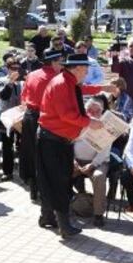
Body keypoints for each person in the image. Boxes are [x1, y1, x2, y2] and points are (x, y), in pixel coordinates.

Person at [36, 53, 103, 236]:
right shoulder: (61, 84)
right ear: (77, 69)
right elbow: (66, 115)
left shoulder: (69, 81)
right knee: (58, 182)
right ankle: (64, 226)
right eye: (86, 69)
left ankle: (47, 217)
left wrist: (104, 87)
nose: (87, 72)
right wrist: (90, 123)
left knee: (53, 181)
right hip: (52, 140)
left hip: (58, 140)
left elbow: (83, 90)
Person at [20, 48, 65, 200]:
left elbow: (24, 95)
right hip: (46, 119)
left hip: (29, 117)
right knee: (46, 156)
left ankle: (33, 189)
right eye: (60, 62)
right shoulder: (57, 78)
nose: (62, 65)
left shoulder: (32, 74)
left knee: (31, 153)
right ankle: (46, 190)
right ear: (52, 62)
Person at [73, 98, 111, 227]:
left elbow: (104, 152)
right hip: (76, 161)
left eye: (97, 111)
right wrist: (72, 161)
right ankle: (64, 207)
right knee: (60, 171)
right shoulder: (77, 124)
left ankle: (98, 214)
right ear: (85, 110)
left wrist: (92, 164)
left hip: (98, 163)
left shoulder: (106, 127)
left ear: (102, 112)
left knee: (99, 177)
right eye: (90, 110)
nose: (94, 114)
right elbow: (68, 144)